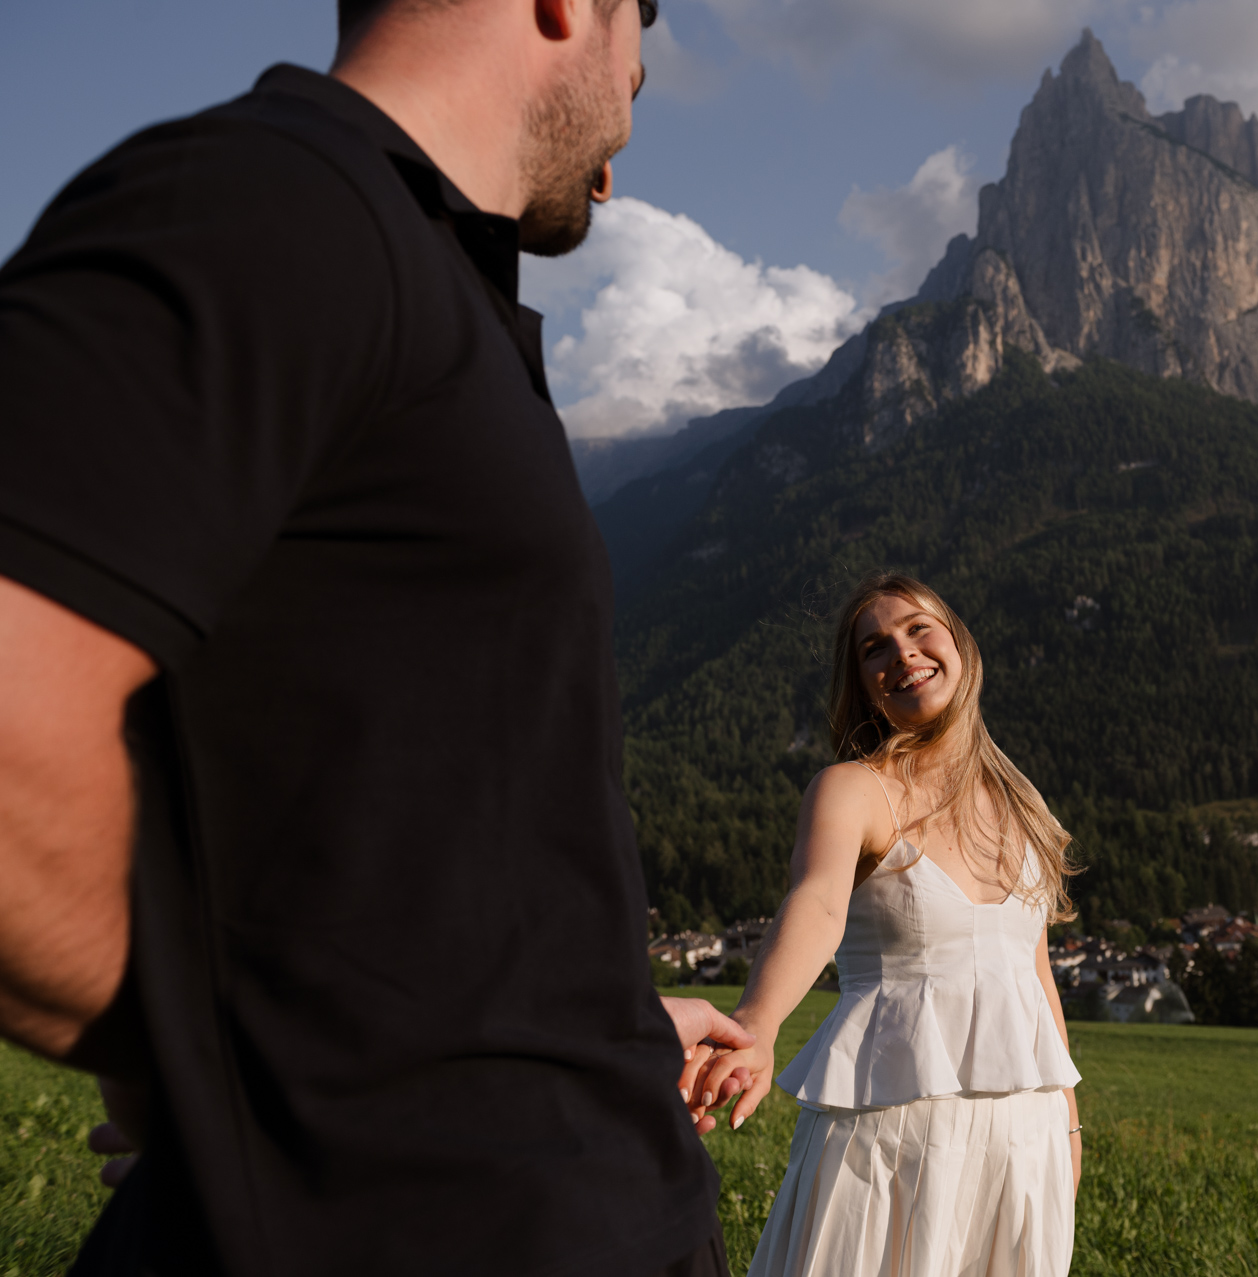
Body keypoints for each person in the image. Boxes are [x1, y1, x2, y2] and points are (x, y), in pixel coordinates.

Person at [0, 1, 750, 1273]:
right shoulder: (271, 201)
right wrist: (215, 1061)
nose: (627, 118)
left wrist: (594, 1024)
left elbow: (379, 838)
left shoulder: (412, 273)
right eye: (643, 47)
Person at [689, 573, 1083, 1277]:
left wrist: (1068, 1121)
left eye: (917, 628)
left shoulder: (1024, 807)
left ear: (959, 644)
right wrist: (757, 1023)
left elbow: (1035, 974)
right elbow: (817, 905)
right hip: (889, 1134)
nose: (901, 653)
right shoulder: (853, 790)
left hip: (1025, 1139)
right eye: (875, 647)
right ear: (864, 682)